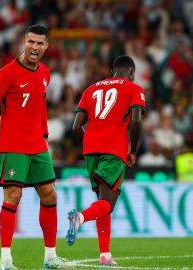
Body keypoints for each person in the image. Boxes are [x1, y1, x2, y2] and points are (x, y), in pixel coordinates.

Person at [0, 25, 67, 270]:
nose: (35, 47)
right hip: (12, 145)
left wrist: (45, 134)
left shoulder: (45, 73)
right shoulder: (7, 73)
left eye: (40, 43)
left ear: (46, 46)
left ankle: (50, 257)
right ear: (23, 42)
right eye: (31, 42)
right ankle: (5, 259)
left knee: (50, 195)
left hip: (37, 145)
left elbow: (40, 105)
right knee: (13, 196)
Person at [66, 55, 145, 266]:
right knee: (107, 203)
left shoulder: (91, 89)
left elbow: (75, 127)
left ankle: (105, 255)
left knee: (103, 200)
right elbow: (136, 121)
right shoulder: (133, 88)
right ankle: (80, 217)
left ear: (113, 71)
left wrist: (90, 145)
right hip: (114, 149)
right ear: (132, 73)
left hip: (91, 150)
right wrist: (133, 151)